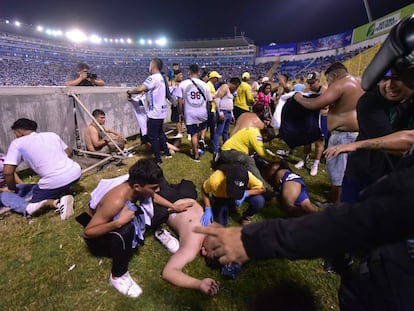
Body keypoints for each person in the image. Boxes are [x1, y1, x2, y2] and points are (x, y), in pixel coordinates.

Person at [195, 16, 414, 311]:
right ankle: (346, 254)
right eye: (389, 76)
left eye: (402, 79)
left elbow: (371, 216)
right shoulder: (371, 104)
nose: (391, 85)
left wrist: (252, 238)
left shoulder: (257, 148)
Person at [79, 159, 192, 298]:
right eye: (154, 187)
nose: (158, 190)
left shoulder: (136, 186)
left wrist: (174, 207)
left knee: (163, 212)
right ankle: (117, 276)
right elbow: (88, 232)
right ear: (137, 187)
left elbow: (153, 196)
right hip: (99, 236)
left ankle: (157, 231)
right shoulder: (116, 201)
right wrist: (117, 223)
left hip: (120, 217)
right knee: (126, 230)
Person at [339, 70, 414, 203]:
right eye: (384, 79)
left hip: (399, 180)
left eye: (397, 78)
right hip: (363, 174)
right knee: (351, 218)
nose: (390, 85)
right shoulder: (370, 101)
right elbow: (399, 147)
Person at [293, 63, 363, 203]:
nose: (329, 84)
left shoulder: (341, 83)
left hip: (343, 135)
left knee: (338, 174)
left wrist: (298, 97)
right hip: (355, 133)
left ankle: (334, 205)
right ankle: (336, 195)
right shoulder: (359, 82)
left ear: (335, 75)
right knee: (345, 171)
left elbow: (316, 104)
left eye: (329, 79)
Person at [2, 118, 81, 219]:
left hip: (56, 180)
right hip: (75, 172)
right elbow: (68, 153)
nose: (16, 136)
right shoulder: (52, 135)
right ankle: (65, 192)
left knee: (35, 203)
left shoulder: (17, 143)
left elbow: (8, 172)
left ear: (19, 131)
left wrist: (11, 188)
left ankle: (58, 202)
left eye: (15, 133)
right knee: (36, 187)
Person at [161, 198, 220, 295]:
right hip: (188, 193)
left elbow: (168, 272)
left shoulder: (193, 245)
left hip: (169, 200)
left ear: (204, 250)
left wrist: (198, 284)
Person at [127, 58, 172, 164]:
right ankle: (167, 153)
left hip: (154, 113)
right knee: (160, 133)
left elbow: (139, 88)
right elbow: (147, 90)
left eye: (150, 65)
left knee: (152, 136)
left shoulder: (153, 78)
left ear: (153, 66)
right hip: (161, 111)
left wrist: (129, 91)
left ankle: (157, 159)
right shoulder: (161, 77)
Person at [201, 163, 266, 226]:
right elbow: (204, 189)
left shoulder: (246, 175)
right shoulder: (216, 180)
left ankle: (246, 217)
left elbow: (263, 189)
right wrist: (208, 207)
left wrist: (246, 193)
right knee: (221, 223)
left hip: (241, 192)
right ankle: (227, 207)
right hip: (222, 197)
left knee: (258, 200)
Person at [176, 64, 212, 162]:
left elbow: (179, 101)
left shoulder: (183, 84)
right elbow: (209, 101)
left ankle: (196, 156)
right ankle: (201, 141)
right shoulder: (204, 84)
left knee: (193, 134)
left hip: (190, 112)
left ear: (189, 72)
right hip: (202, 112)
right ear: (199, 73)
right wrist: (207, 112)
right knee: (203, 128)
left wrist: (180, 113)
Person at [294, 71, 328, 176]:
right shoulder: (307, 90)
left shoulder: (324, 91)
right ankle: (304, 159)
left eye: (312, 83)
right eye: (309, 82)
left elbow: (325, 106)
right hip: (310, 117)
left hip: (321, 118)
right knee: (307, 140)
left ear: (318, 81)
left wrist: (312, 102)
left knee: (319, 142)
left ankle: (315, 164)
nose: (310, 85)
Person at [212, 77, 241, 157]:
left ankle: (226, 147)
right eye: (236, 86)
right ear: (232, 83)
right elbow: (217, 99)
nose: (236, 88)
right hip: (223, 112)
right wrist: (220, 112)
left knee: (225, 132)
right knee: (219, 131)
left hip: (228, 112)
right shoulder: (225, 87)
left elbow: (230, 102)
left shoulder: (231, 91)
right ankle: (215, 149)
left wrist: (231, 114)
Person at [199, 70, 222, 150]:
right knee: (210, 126)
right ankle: (209, 141)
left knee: (208, 126)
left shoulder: (211, 85)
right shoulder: (209, 85)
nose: (218, 80)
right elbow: (207, 96)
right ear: (213, 78)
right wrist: (215, 96)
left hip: (211, 108)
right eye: (217, 78)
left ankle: (204, 140)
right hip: (210, 109)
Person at [169, 69, 185, 139]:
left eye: (182, 75)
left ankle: (187, 132)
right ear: (176, 75)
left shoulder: (183, 83)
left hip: (183, 102)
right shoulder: (171, 83)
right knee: (177, 118)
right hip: (175, 103)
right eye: (180, 75)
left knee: (184, 118)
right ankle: (179, 132)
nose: (181, 76)